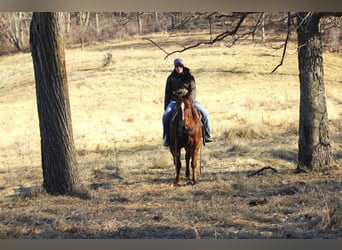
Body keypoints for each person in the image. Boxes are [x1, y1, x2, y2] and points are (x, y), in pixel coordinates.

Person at [162, 58, 213, 147]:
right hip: (175, 100)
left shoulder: (190, 77)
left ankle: (207, 134)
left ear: (183, 66)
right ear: (175, 67)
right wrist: (166, 107)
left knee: (204, 113)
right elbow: (167, 92)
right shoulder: (171, 78)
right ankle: (166, 138)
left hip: (189, 100)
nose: (178, 68)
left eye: (180, 66)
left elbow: (193, 90)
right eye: (177, 67)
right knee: (165, 116)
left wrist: (190, 101)